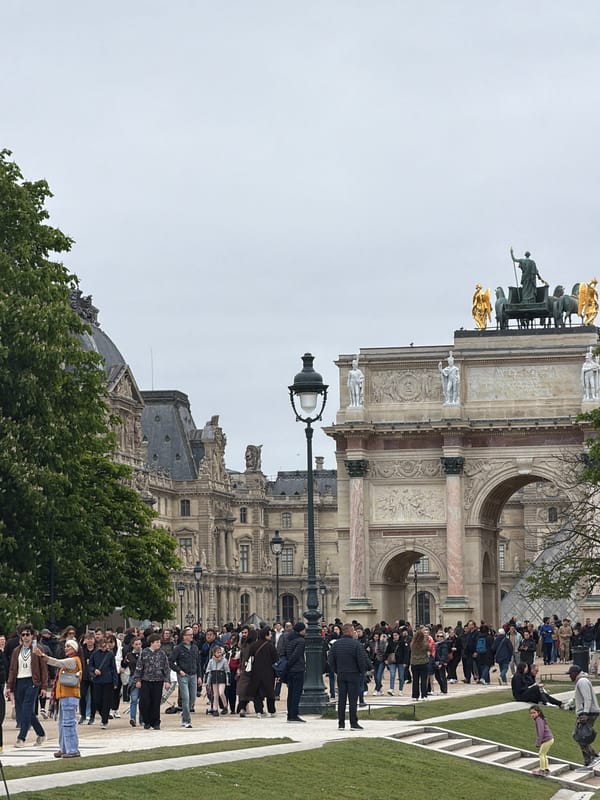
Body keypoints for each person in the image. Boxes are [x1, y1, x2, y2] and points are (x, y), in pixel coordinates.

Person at [36, 639, 82, 758]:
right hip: (64, 696)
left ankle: (72, 749)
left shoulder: (73, 661)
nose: (66, 648)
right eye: (66, 646)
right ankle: (64, 748)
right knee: (62, 724)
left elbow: (56, 662)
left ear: (74, 649)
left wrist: (43, 656)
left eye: (69, 647)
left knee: (68, 723)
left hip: (70, 696)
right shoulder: (71, 661)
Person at [7, 626, 48, 747]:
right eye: (23, 635)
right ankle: (41, 733)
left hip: (32, 681)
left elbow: (43, 668)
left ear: (32, 636)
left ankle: (21, 738)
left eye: (27, 634)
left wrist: (44, 687)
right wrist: (9, 685)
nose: (25, 637)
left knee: (26, 709)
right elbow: (12, 669)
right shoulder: (16, 651)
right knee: (25, 711)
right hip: (19, 681)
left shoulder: (37, 649)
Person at [328, 623, 370, 730]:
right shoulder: (356, 645)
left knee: (342, 700)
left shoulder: (336, 644)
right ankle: (353, 722)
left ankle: (341, 723)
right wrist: (362, 672)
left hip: (341, 674)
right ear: (350, 631)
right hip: (353, 674)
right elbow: (361, 660)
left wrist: (336, 670)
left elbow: (330, 660)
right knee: (352, 700)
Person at [565, 664, 600, 768]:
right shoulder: (581, 681)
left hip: (588, 713)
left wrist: (585, 713)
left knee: (579, 736)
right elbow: (581, 699)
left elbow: (587, 698)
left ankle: (593, 757)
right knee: (581, 736)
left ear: (575, 673)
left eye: (570, 674)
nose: (569, 676)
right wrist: (572, 707)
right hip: (587, 712)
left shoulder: (582, 682)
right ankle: (588, 761)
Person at [133, 633, 170, 730]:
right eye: (157, 642)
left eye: (159, 642)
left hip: (158, 680)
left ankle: (156, 722)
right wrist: (137, 680)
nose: (159, 644)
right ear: (151, 643)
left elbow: (166, 668)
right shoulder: (144, 652)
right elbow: (139, 667)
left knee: (156, 702)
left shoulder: (162, 654)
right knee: (145, 701)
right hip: (146, 680)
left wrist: (167, 680)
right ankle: (146, 720)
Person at [170, 627, 202, 728]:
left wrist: (200, 676)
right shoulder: (178, 648)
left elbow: (198, 663)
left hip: (193, 674)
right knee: (186, 697)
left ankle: (185, 713)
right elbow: (170, 661)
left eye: (192, 634)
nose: (191, 636)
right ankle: (186, 720)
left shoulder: (195, 647)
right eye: (189, 634)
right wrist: (179, 670)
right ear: (184, 636)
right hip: (183, 675)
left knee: (192, 698)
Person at [246, 627, 278, 717]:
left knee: (257, 692)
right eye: (270, 634)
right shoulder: (270, 646)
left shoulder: (254, 645)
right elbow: (275, 660)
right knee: (270, 692)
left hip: (256, 672)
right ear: (266, 635)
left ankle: (258, 711)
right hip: (268, 673)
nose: (271, 636)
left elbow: (250, 658)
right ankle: (271, 710)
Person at [88, 637, 118, 729]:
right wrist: (94, 670)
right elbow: (90, 666)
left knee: (106, 701)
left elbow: (113, 668)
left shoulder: (110, 655)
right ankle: (103, 714)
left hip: (108, 680)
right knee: (97, 701)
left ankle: (104, 720)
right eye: (102, 646)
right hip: (97, 681)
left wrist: (115, 682)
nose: (104, 648)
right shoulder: (94, 654)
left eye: (105, 646)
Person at [283, 622, 306, 722]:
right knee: (296, 693)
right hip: (297, 669)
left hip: (290, 670)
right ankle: (294, 715)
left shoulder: (289, 639)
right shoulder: (301, 641)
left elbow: (286, 652)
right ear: (301, 630)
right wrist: (290, 664)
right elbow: (296, 655)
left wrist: (287, 665)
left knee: (291, 693)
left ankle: (290, 714)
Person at [204, 645, 230, 717]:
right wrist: (207, 682)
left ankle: (225, 706)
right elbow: (208, 671)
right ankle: (215, 709)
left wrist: (228, 681)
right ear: (214, 653)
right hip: (214, 678)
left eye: (220, 652)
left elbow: (227, 671)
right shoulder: (211, 661)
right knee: (215, 695)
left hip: (222, 678)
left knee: (221, 692)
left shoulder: (224, 660)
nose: (219, 654)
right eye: (217, 652)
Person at [529, 705, 554, 777]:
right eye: (531, 713)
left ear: (538, 712)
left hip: (547, 739)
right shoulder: (540, 719)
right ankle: (546, 769)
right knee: (544, 754)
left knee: (541, 754)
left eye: (534, 713)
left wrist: (538, 742)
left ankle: (542, 770)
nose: (532, 715)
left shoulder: (538, 720)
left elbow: (541, 732)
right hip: (550, 739)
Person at [409, 628, 432, 701]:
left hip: (414, 663)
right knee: (423, 680)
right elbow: (429, 649)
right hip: (423, 662)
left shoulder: (412, 644)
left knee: (415, 680)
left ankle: (415, 696)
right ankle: (424, 695)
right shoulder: (425, 643)